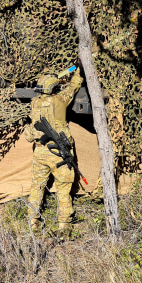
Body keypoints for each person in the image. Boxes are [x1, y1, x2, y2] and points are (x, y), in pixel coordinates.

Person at [24, 67, 83, 234]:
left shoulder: (35, 102)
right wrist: (78, 71)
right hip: (59, 153)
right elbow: (74, 86)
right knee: (64, 190)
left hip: (40, 152)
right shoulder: (60, 100)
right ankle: (64, 226)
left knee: (36, 187)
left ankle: (32, 223)